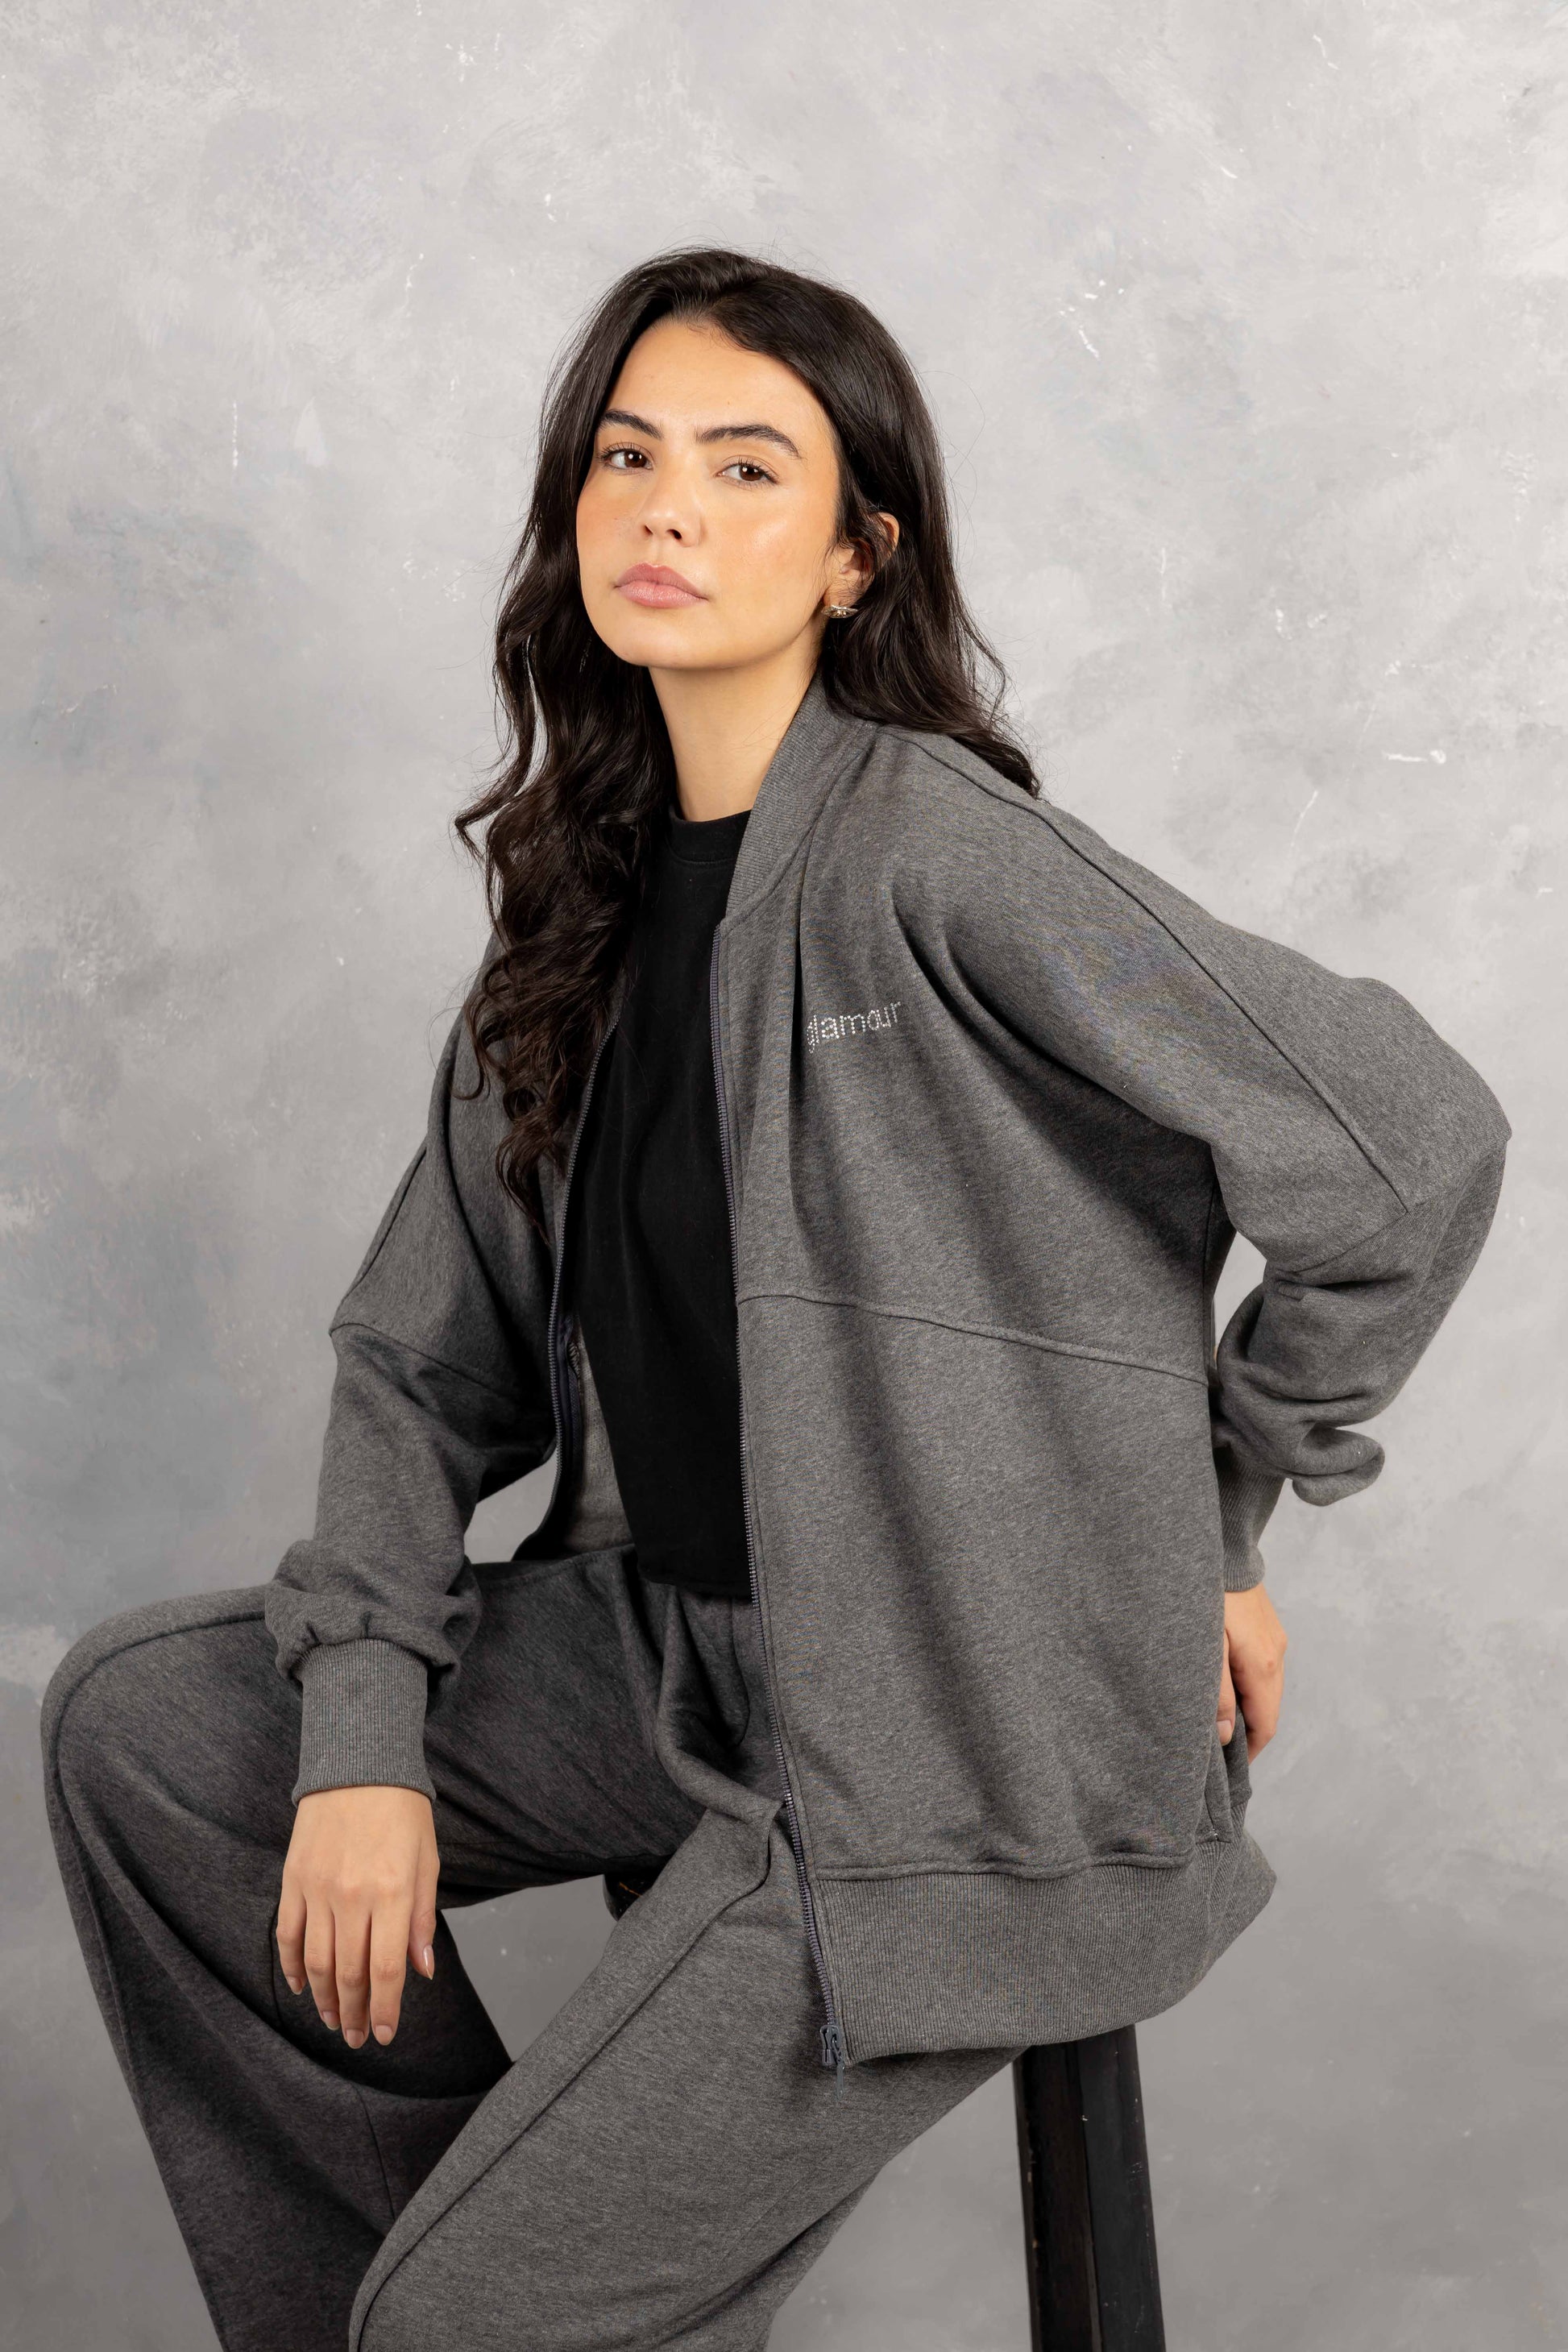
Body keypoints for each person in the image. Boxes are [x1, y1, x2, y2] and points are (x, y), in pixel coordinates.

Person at [42, 246, 1510, 2352]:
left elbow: (1405, 1142)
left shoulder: (940, 860)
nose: (666, 508)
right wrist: (358, 1740)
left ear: (854, 556)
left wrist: (1208, 1516)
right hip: (679, 1656)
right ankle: (458, 2302)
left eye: (745, 469)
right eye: (626, 458)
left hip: (951, 1741)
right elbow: (417, 1359)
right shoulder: (582, 905)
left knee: (463, 2326)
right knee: (155, 1738)